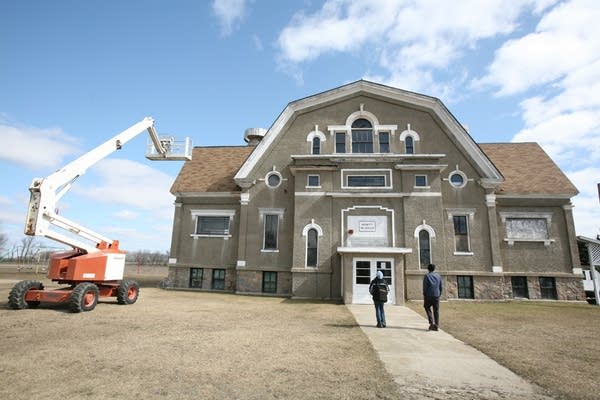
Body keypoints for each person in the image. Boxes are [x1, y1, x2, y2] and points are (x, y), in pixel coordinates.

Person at [423, 263, 442, 331]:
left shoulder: (427, 276)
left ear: (428, 269)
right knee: (436, 310)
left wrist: (424, 294)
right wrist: (439, 293)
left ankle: (431, 323)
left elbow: (425, 286)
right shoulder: (438, 276)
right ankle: (436, 325)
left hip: (428, 295)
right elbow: (440, 286)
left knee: (427, 307)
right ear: (434, 269)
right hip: (436, 295)